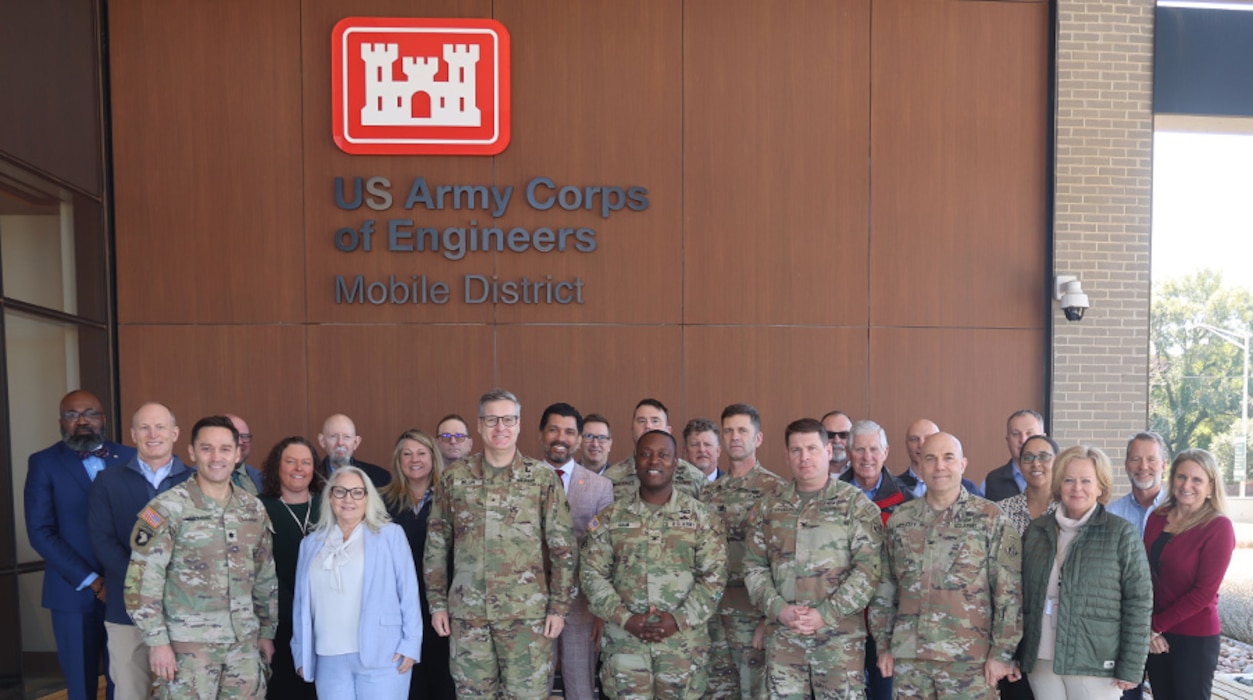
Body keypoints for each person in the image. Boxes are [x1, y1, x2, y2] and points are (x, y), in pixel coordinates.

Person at [424, 389, 576, 699]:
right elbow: (436, 545)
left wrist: (559, 608)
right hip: (469, 617)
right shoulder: (454, 478)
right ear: (479, 425)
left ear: (519, 425)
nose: (500, 427)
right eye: (492, 420)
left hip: (526, 618)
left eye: (508, 419)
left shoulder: (541, 479)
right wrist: (437, 603)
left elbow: (563, 549)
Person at [123, 415, 277, 699]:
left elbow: (264, 576)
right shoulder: (166, 509)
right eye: (207, 449)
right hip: (188, 651)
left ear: (237, 453)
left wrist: (266, 632)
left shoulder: (252, 509)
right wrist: (157, 642)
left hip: (243, 647)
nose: (216, 457)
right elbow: (142, 583)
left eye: (225, 449)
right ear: (192, 453)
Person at [871, 432, 1023, 700]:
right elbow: (886, 587)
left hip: (969, 660)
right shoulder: (900, 520)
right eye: (930, 459)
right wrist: (883, 644)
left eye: (948, 458)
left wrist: (1002, 652)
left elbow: (1008, 592)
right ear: (920, 465)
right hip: (910, 659)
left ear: (963, 464)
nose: (939, 466)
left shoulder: (991, 519)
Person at [743, 418, 883, 699]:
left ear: (828, 451)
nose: (804, 457)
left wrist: (825, 614)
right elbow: (753, 566)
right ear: (787, 456)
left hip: (838, 644)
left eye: (812, 449)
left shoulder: (856, 505)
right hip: (784, 642)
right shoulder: (769, 506)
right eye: (796, 450)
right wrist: (778, 609)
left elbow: (869, 572)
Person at [581, 430, 727, 698]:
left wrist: (677, 620)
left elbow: (714, 578)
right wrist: (626, 619)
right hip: (625, 649)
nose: (654, 461)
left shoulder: (701, 518)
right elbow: (592, 575)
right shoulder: (611, 518)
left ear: (676, 463)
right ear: (635, 461)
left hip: (682, 649)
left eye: (663, 455)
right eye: (646, 454)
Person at [27, 390, 136, 700]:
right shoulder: (44, 463)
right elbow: (40, 532)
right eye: (72, 415)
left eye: (90, 413)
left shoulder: (131, 457)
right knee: (80, 687)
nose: (82, 421)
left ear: (104, 419)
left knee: (125, 681)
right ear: (61, 422)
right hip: (72, 593)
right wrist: (93, 581)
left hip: (126, 589)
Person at [1018, 445, 1151, 698]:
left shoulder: (1122, 534)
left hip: (1095, 662)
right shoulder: (1037, 531)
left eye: (1086, 481)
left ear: (1101, 486)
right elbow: (1017, 595)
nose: (1076, 488)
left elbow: (1139, 602)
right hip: (1042, 660)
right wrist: (1013, 653)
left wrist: (1132, 666)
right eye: (1069, 480)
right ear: (1059, 484)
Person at [88, 402, 193, 700]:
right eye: (144, 428)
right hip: (127, 611)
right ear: (133, 435)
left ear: (175, 433)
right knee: (130, 692)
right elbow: (102, 540)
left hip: (187, 612)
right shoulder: (108, 481)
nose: (153, 434)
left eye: (160, 427)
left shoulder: (196, 482)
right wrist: (145, 582)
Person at [292, 467, 421, 699]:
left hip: (383, 653)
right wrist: (301, 652)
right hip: (328, 657)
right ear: (330, 497)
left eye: (357, 492)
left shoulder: (390, 535)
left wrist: (411, 644)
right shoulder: (310, 544)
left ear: (368, 498)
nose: (348, 499)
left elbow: (409, 593)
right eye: (340, 492)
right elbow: (300, 604)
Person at [701, 403, 784, 700]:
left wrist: (768, 619)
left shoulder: (776, 491)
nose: (734, 437)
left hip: (753, 617)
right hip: (713, 617)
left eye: (742, 430)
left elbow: (783, 561)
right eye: (728, 431)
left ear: (757, 438)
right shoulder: (708, 493)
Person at [1143, 449, 1236, 700]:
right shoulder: (1157, 517)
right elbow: (1143, 575)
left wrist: (1154, 626)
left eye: (1197, 480)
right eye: (1182, 477)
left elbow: (1203, 593)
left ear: (1210, 486)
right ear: (1172, 478)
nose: (1187, 485)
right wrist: (1149, 627)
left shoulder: (1218, 527)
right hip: (1156, 634)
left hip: (1194, 636)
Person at [535, 403, 614, 700]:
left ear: (578, 439)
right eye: (553, 430)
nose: (561, 438)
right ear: (541, 434)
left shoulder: (600, 486)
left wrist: (601, 612)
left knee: (581, 687)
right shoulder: (523, 479)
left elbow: (605, 554)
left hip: (581, 606)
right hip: (530, 601)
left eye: (569, 432)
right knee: (531, 688)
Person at [381, 429, 455, 700]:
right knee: (406, 679)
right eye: (407, 454)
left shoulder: (450, 498)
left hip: (441, 603)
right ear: (398, 459)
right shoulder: (381, 501)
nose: (415, 460)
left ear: (433, 458)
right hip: (397, 606)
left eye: (421, 453)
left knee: (442, 679)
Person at [841, 419, 911, 700]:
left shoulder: (906, 502)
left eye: (873, 449)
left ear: (886, 452)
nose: (866, 457)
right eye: (859, 449)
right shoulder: (831, 496)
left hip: (888, 619)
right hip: (841, 619)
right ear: (849, 453)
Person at [259, 436, 324, 700]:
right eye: (290, 461)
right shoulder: (259, 507)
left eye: (306, 462)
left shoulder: (330, 504)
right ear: (277, 466)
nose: (299, 468)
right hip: (278, 621)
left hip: (324, 622)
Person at [600, 398, 708, 500]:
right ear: (632, 429)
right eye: (641, 421)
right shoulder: (610, 479)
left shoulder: (695, 477)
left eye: (655, 421)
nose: (648, 426)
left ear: (668, 430)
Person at [997, 434, 1060, 535]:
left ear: (1057, 463)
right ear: (1020, 466)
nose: (1035, 463)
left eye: (1043, 457)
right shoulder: (1002, 511)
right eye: (1028, 458)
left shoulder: (1067, 508)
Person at [1108, 432, 1169, 536]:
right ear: (1126, 465)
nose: (1143, 466)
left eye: (1151, 460)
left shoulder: (1178, 511)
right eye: (1136, 459)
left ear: (1163, 466)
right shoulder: (1112, 515)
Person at [983, 410, 1044, 501]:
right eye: (1016, 434)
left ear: (1043, 439)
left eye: (1029, 433)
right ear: (1007, 440)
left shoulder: (1058, 478)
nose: (1023, 440)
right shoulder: (993, 480)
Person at [317, 413, 392, 488]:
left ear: (356, 443)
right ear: (322, 441)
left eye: (347, 437)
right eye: (333, 436)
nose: (340, 443)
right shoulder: (313, 478)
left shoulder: (380, 478)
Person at [895, 419, 939, 498]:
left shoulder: (960, 486)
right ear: (906, 445)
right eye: (914, 439)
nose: (921, 445)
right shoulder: (893, 487)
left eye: (928, 438)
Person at [225, 413, 264, 494]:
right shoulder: (198, 477)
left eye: (244, 436)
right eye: (234, 436)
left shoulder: (262, 479)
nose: (240, 442)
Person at [683, 417, 723, 481]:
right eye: (695, 444)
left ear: (718, 451)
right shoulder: (672, 485)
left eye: (707, 444)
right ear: (686, 452)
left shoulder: (733, 485)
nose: (702, 450)